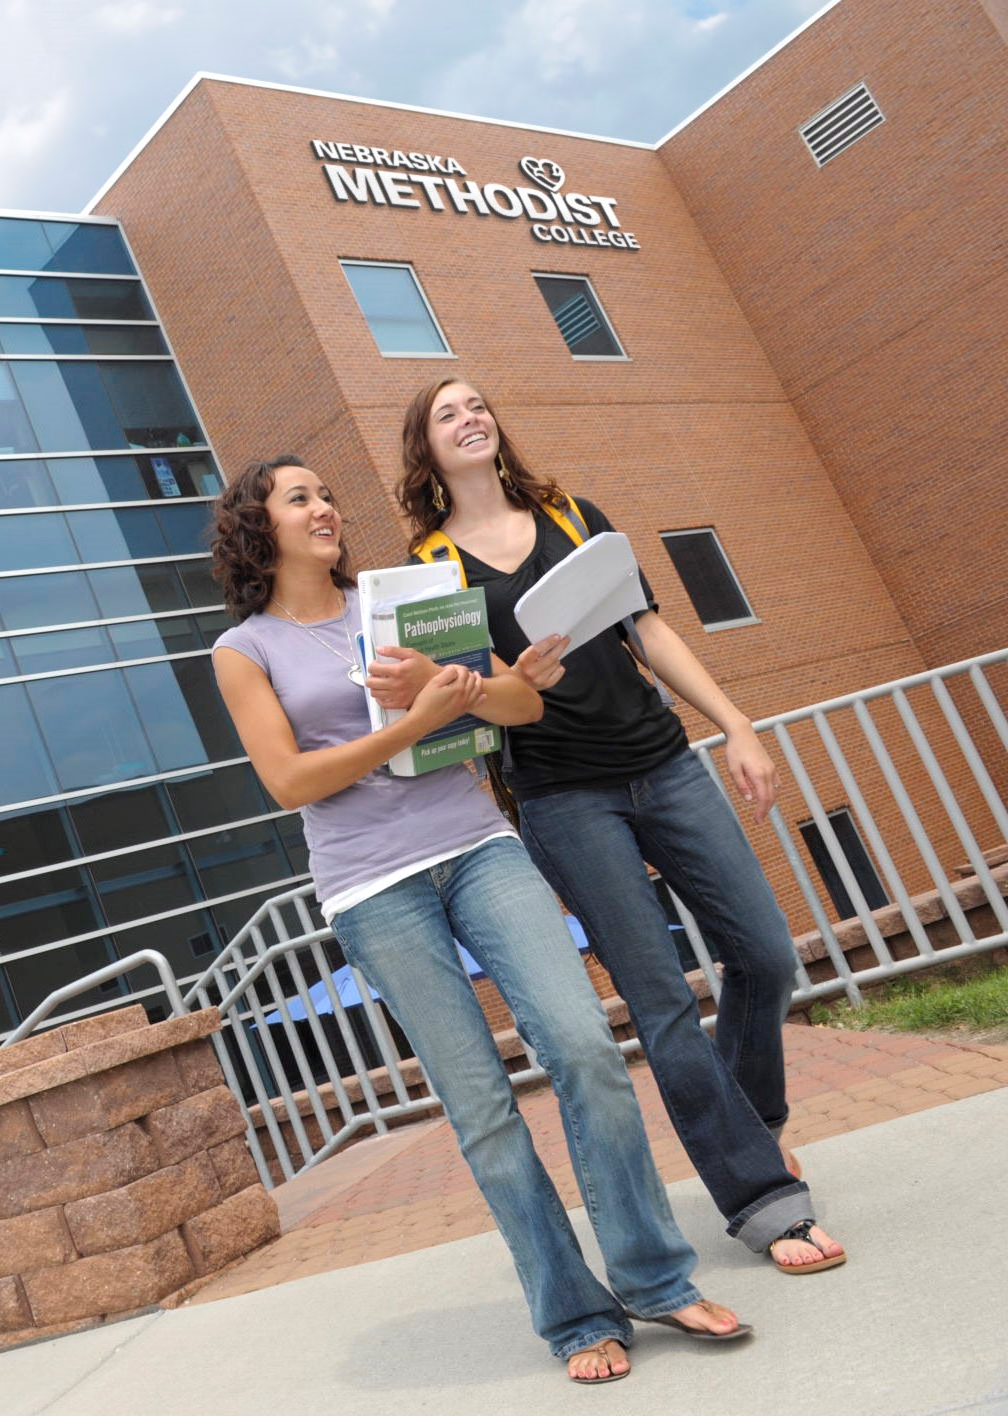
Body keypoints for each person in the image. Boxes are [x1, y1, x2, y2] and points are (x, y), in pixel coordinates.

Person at [209, 455, 748, 1384]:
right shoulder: (243, 650)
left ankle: (656, 1279)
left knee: (582, 1046)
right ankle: (576, 1317)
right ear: (259, 526)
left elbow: (520, 700)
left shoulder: (399, 601)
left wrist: (446, 684)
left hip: (477, 846)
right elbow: (290, 781)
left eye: (327, 493)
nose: (326, 507)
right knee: (484, 1111)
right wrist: (409, 724)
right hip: (372, 887)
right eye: (300, 498)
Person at [373, 377, 847, 1278]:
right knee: (662, 1002)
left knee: (765, 953)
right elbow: (465, 713)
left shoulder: (575, 514)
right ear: (424, 450)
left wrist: (735, 725)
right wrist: (516, 682)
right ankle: (763, 1200)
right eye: (447, 414)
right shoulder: (429, 568)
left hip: (663, 763)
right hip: (561, 797)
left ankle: (750, 1125)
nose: (470, 418)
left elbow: (650, 632)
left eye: (478, 405)